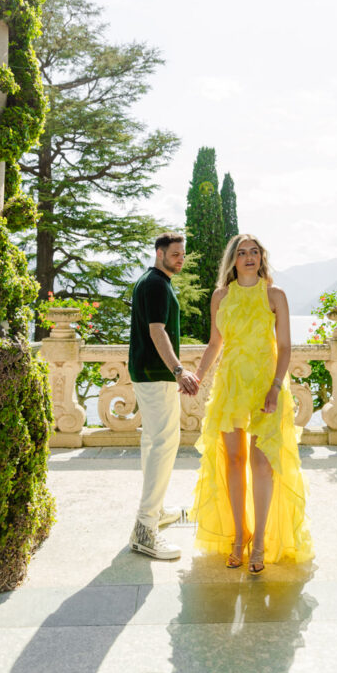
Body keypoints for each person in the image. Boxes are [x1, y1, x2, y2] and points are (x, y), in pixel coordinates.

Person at [189, 234, 313, 573]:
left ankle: (259, 541)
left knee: (261, 464)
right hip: (231, 385)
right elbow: (215, 342)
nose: (248, 257)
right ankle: (238, 534)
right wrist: (198, 376)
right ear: (233, 260)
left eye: (254, 252)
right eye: (242, 252)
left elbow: (284, 347)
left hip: (265, 385)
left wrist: (275, 386)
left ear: (261, 257)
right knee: (233, 461)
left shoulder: (275, 295)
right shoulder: (220, 296)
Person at [128, 232, 199, 560]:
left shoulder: (152, 281)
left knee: (153, 442)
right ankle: (145, 528)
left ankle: (154, 513)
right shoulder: (156, 284)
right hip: (156, 375)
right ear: (159, 253)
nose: (180, 259)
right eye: (174, 254)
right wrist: (178, 370)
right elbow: (157, 331)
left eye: (182, 254)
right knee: (165, 443)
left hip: (148, 373)